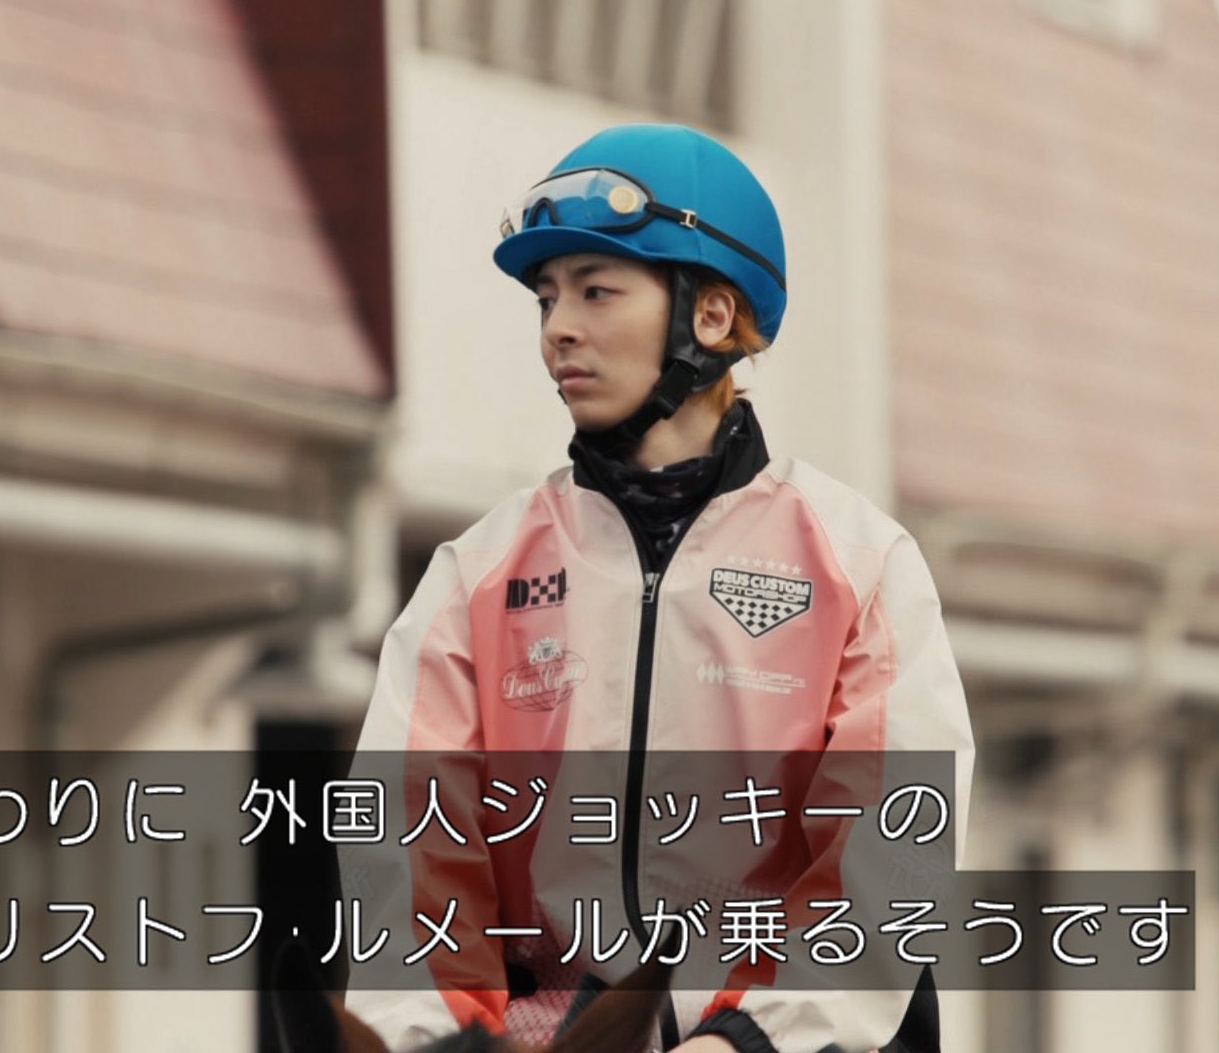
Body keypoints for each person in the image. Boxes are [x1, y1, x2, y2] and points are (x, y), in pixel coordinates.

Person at [343, 124, 973, 1052]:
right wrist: (432, 1039)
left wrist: (742, 1043)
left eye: (596, 290)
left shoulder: (860, 561)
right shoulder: (477, 574)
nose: (558, 327)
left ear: (711, 317)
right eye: (547, 298)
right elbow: (407, 845)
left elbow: (893, 844)